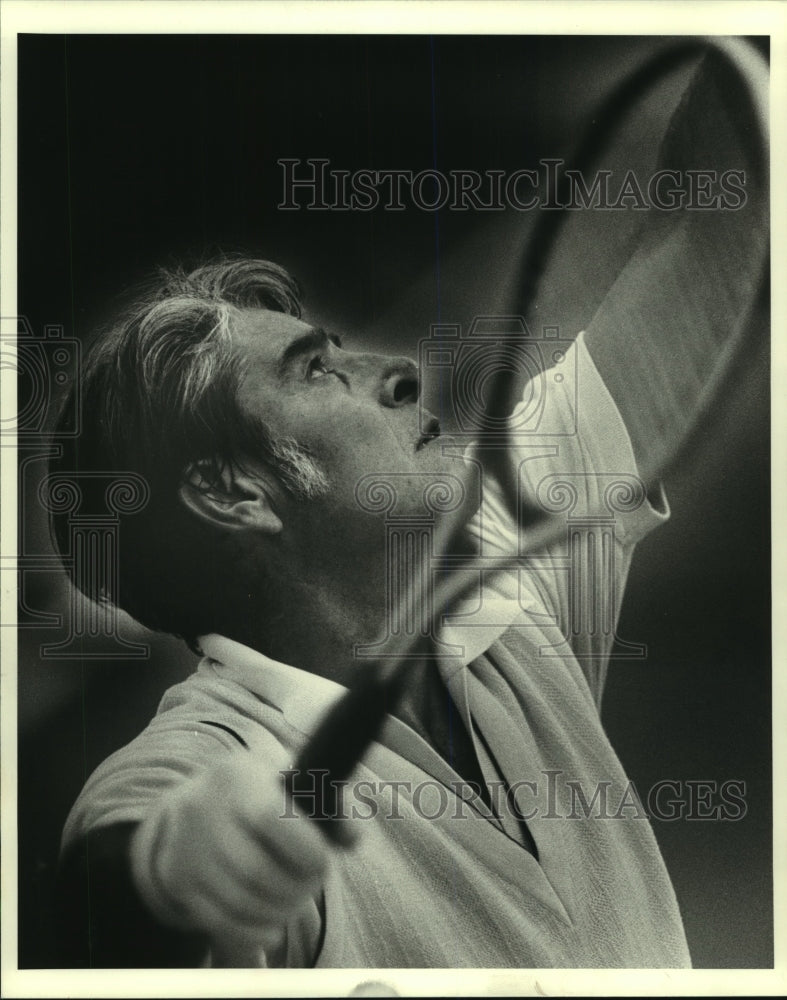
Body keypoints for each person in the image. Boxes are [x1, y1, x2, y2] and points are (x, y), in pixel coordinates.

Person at [53, 53, 765, 969]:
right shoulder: (193, 767)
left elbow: (710, 221)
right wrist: (169, 871)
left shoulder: (498, 544)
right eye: (315, 368)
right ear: (232, 493)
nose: (395, 372)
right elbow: (104, 911)